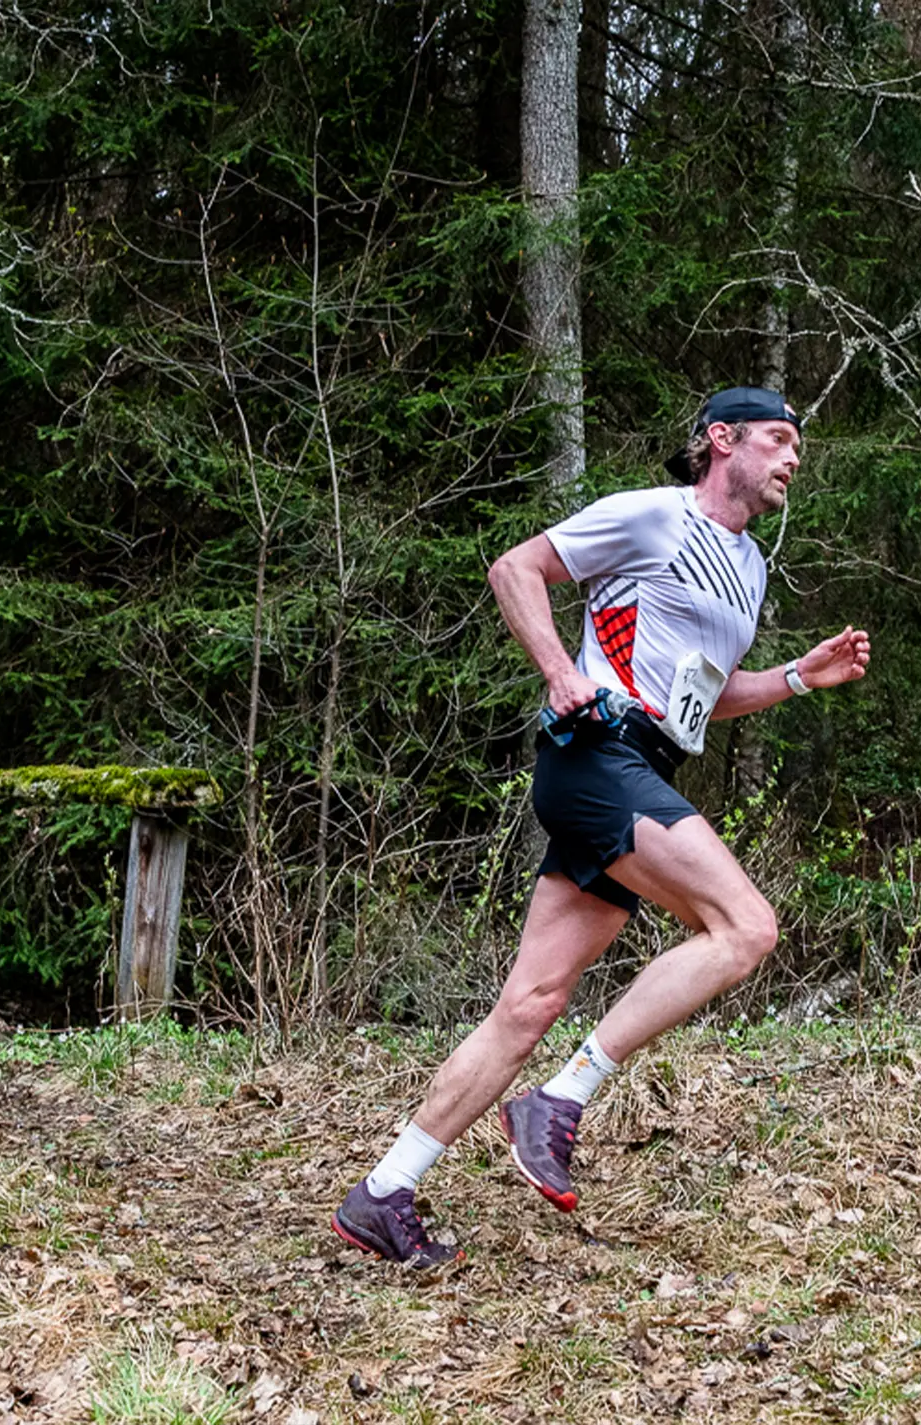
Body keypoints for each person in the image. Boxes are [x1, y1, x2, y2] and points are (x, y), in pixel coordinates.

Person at [331, 386, 872, 1266]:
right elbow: (516, 568)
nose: (791, 459)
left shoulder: (749, 566)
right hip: (596, 755)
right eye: (777, 440)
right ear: (720, 440)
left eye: (796, 448)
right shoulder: (653, 517)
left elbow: (701, 694)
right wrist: (556, 668)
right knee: (745, 927)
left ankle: (383, 1191)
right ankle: (562, 1096)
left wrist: (795, 678)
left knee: (529, 1005)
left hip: (646, 764)